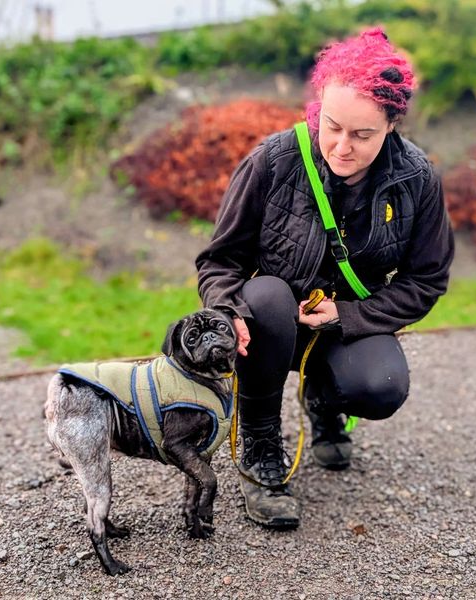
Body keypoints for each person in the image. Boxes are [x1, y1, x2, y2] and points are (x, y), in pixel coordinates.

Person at [195, 27, 454, 528]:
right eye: (332, 126)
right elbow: (218, 261)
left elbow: (426, 279)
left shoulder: (417, 178)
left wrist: (349, 315)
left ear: (391, 126)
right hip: (268, 327)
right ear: (318, 109)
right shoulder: (272, 161)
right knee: (266, 295)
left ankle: (324, 400)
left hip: (344, 323)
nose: (341, 147)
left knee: (381, 387)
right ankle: (262, 446)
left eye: (363, 135)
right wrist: (229, 310)